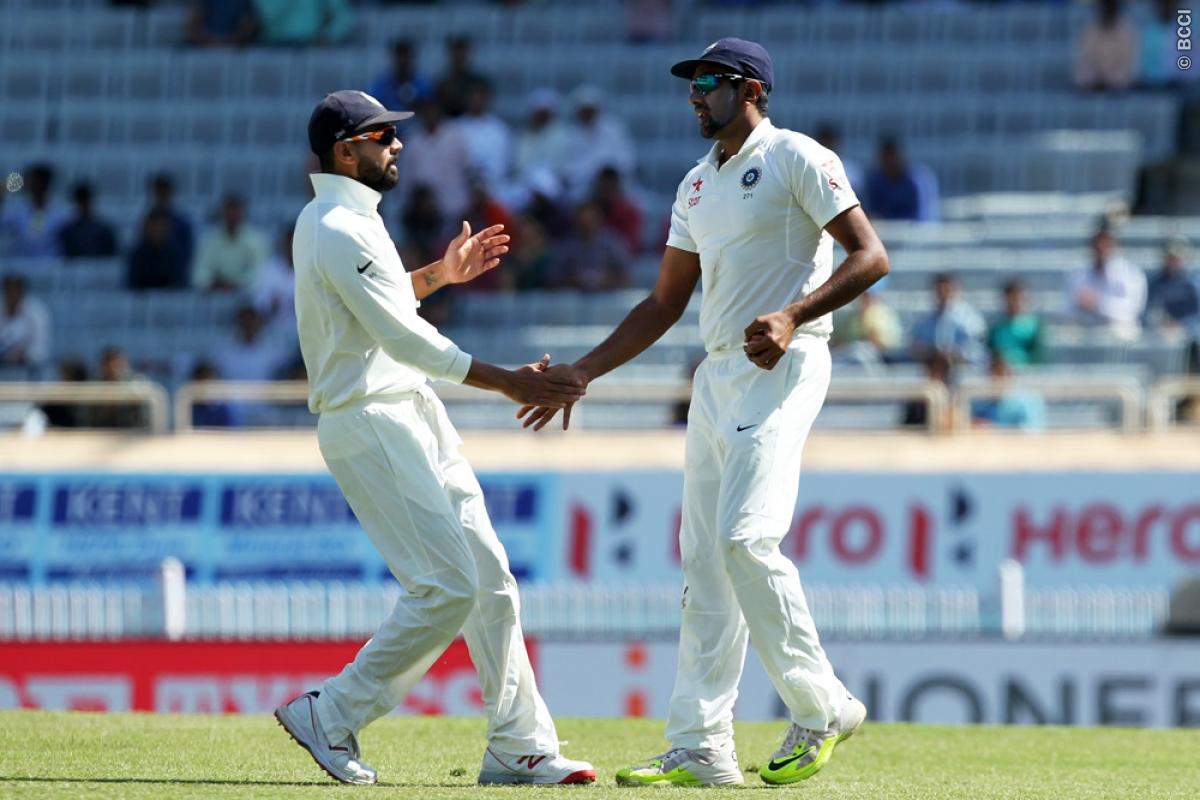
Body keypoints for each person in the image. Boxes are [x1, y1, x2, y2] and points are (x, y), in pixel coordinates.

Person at [518, 39, 885, 787]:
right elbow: (663, 302)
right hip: (716, 376)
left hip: (785, 360)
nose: (694, 95)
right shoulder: (695, 183)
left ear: (750, 88)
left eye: (709, 83)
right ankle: (702, 744)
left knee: (748, 540)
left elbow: (870, 255)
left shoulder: (796, 156)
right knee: (705, 567)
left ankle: (823, 706)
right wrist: (583, 371)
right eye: (691, 84)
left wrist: (790, 314)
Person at [273, 90, 594, 787]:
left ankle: (518, 744)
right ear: (343, 150)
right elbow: (399, 337)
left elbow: (377, 308)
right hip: (370, 417)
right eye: (381, 136)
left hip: (407, 409)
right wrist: (508, 381)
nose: (397, 146)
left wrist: (438, 276)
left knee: (492, 584)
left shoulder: (350, 219)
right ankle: (330, 714)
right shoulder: (335, 223)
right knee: (447, 585)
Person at [1067, 228, 1146, 337]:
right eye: (1098, 246)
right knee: (1069, 332)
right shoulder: (1078, 273)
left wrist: (1099, 303)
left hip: (1117, 326)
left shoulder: (1130, 273)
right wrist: (1082, 303)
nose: (1102, 250)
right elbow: (1069, 306)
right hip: (1087, 325)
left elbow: (1133, 308)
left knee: (1124, 330)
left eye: (1106, 245)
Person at [192, 193, 269, 292]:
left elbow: (261, 274)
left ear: (243, 212)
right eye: (228, 209)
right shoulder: (209, 239)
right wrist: (212, 283)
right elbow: (200, 272)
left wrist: (235, 284)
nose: (231, 214)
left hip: (246, 297)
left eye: (235, 210)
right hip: (214, 295)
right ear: (221, 212)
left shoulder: (257, 240)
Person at [910, 272, 987, 368]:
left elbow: (976, 351)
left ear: (957, 290)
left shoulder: (971, 320)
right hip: (934, 371)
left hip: (965, 370)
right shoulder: (926, 321)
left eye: (947, 290)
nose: (943, 295)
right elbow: (916, 347)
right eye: (939, 290)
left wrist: (954, 353)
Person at [0, 164, 69, 259]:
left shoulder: (61, 212)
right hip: (20, 263)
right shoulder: (16, 208)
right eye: (32, 181)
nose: (33, 185)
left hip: (51, 264)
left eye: (37, 182)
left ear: (45, 184)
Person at [1073, 0, 1137, 92]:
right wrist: (1096, 77)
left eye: (1110, 9)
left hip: (1119, 87)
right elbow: (1084, 62)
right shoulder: (1090, 30)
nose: (1107, 12)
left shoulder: (1126, 31)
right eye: (1104, 9)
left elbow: (1128, 66)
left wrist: (1111, 79)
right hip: (1092, 85)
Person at [0, 274, 52, 378]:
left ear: (22, 292)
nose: (12, 295)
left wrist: (25, 356)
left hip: (28, 372)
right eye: (8, 291)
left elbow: (40, 348)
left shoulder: (37, 312)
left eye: (15, 291)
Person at [127, 208, 190, 290]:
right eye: (155, 226)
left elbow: (178, 286)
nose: (158, 230)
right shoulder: (136, 256)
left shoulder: (175, 256)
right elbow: (132, 285)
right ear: (146, 227)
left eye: (162, 226)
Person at [1144, 238, 1200, 329]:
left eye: (1177, 258)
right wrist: (1159, 324)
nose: (1173, 262)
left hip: (1187, 333)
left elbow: (1197, 315)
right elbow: (1146, 311)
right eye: (1170, 258)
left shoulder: (1192, 284)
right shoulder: (1154, 283)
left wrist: (1180, 324)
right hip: (1159, 333)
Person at [987, 279, 1045, 366]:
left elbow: (1039, 359)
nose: (1014, 303)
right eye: (1010, 299)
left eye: (1018, 299)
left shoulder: (1035, 328)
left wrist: (1012, 363)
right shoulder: (996, 329)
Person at [145, 173, 195, 271]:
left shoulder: (183, 224)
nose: (160, 199)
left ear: (170, 194)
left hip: (175, 272)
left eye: (164, 194)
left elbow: (187, 255)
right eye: (158, 194)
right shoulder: (146, 222)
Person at [367, 38, 433, 113]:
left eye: (406, 57)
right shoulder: (380, 85)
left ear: (412, 58)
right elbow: (373, 110)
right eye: (399, 57)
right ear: (393, 58)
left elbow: (430, 110)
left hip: (417, 124)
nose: (402, 61)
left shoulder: (424, 85)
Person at [58, 181, 118, 259]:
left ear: (90, 202)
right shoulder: (67, 231)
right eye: (80, 202)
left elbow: (111, 257)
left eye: (85, 202)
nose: (82, 206)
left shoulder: (104, 231)